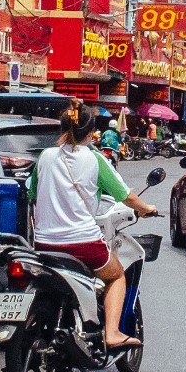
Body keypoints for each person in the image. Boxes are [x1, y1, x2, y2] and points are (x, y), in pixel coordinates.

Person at [25, 104, 157, 350]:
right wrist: (145, 208)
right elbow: (125, 196)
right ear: (90, 132)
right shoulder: (95, 159)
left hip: (44, 244)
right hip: (83, 243)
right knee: (116, 276)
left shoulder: (45, 157)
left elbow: (31, 192)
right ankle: (113, 332)